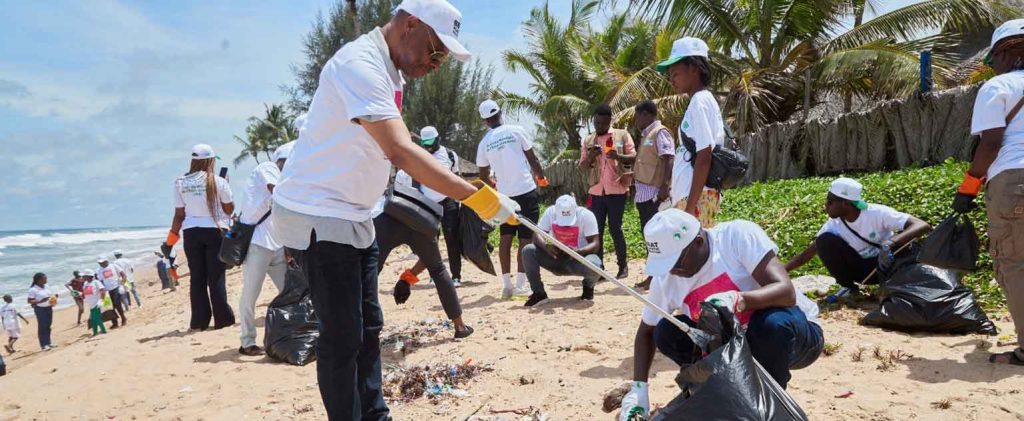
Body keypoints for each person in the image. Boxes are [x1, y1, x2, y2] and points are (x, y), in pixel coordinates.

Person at [269, 2, 519, 419]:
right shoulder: (360, 65)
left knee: (369, 326)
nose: (438, 64)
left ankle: (375, 414)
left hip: (357, 214)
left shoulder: (391, 71)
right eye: (436, 51)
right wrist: (475, 195)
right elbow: (401, 150)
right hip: (319, 212)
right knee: (342, 336)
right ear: (411, 26)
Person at [619, 209, 823, 420]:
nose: (673, 271)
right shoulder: (667, 280)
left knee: (771, 324)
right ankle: (718, 396)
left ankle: (766, 410)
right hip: (735, 353)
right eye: (666, 264)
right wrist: (639, 390)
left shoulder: (736, 237)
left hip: (794, 337)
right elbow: (646, 332)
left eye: (676, 262)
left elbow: (786, 292)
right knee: (667, 331)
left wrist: (739, 300)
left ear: (698, 241)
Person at [953, 18, 1024, 366]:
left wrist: (968, 188)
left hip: (1015, 182)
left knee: (1016, 264)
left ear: (1008, 53)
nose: (991, 66)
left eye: (993, 58)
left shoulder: (999, 87)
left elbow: (991, 143)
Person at [785, 178, 931, 298]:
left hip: (890, 264)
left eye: (830, 201)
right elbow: (806, 255)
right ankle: (849, 288)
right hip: (865, 271)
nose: (826, 205)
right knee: (824, 241)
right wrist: (780, 271)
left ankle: (898, 286)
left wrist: (890, 243)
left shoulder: (877, 213)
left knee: (907, 244)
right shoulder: (833, 225)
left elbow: (921, 225)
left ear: (845, 203)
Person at [374, 189, 474, 339]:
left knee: (369, 273)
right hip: (419, 219)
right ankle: (460, 327)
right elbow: (430, 261)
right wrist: (407, 278)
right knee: (438, 270)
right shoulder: (420, 171)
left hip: (385, 219)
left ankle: (367, 329)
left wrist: (407, 278)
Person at [476, 99, 548, 299]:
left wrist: (495, 188)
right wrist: (541, 177)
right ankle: (520, 285)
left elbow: (482, 177)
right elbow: (532, 159)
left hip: (504, 197)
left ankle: (506, 285)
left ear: (485, 121)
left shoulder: (484, 144)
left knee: (506, 238)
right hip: (526, 191)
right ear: (500, 113)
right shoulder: (516, 130)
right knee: (526, 238)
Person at [161, 143, 236, 331]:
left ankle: (199, 322)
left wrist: (170, 240)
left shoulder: (180, 182)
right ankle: (223, 320)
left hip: (191, 233)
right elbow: (229, 209)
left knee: (197, 278)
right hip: (214, 231)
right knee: (216, 277)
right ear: (210, 161)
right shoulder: (218, 181)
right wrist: (226, 185)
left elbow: (179, 215)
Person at [659, 37, 724, 228]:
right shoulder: (699, 101)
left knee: (695, 255)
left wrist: (689, 209)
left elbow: (705, 156)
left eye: (675, 74)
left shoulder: (700, 101)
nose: (672, 81)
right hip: (694, 197)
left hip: (696, 200)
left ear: (694, 68)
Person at [238, 142, 293, 356]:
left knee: (288, 292)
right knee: (250, 295)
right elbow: (278, 193)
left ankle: (288, 334)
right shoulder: (267, 169)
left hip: (277, 244)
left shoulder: (286, 178)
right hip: (257, 244)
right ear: (282, 161)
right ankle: (247, 341)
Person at [401, 126, 465, 287]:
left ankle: (456, 276)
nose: (428, 147)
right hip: (428, 204)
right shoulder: (419, 157)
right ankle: (433, 276)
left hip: (448, 201)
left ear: (438, 139)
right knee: (431, 242)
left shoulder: (450, 155)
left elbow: (456, 177)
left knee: (452, 238)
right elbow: (416, 183)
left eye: (431, 143)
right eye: (425, 143)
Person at [580, 104, 636, 279]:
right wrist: (591, 156)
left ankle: (623, 266)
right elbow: (582, 166)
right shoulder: (588, 140)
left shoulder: (622, 135)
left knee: (615, 229)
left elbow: (635, 157)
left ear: (609, 121)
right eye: (596, 123)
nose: (599, 127)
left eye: (603, 123)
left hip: (617, 189)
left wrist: (618, 157)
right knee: (597, 231)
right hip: (596, 192)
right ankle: (600, 269)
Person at [521, 195, 603, 307]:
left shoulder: (586, 215)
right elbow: (537, 234)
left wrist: (577, 252)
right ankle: (539, 293)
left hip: (578, 260)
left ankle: (588, 287)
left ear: (576, 209)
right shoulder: (550, 212)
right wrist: (547, 247)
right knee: (528, 250)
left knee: (596, 265)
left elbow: (595, 243)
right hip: (555, 259)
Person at [632, 100, 677, 290]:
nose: (635, 120)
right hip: (644, 195)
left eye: (637, 116)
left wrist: (665, 186)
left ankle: (657, 277)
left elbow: (668, 158)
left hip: (654, 195)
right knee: (650, 237)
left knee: (656, 238)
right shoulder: (646, 135)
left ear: (646, 114)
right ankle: (653, 275)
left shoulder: (660, 132)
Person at [27, 273, 57, 351]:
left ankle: (49, 342)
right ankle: (43, 345)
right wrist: (40, 301)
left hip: (49, 307)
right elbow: (29, 301)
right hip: (40, 309)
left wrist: (54, 298)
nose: (46, 280)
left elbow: (50, 295)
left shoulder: (46, 286)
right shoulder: (33, 289)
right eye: (44, 278)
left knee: (48, 325)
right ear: (39, 280)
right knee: (42, 326)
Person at [96, 257, 127, 328]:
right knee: (110, 307)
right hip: (107, 290)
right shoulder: (99, 270)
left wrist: (122, 284)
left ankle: (123, 318)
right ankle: (115, 322)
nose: (101, 264)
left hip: (116, 287)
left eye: (102, 262)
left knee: (117, 304)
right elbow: (101, 281)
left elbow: (123, 275)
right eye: (99, 263)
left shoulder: (113, 266)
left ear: (106, 261)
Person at [80, 270, 107, 337]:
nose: (82, 277)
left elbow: (103, 291)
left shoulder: (96, 282)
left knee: (96, 318)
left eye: (84, 276)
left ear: (88, 276)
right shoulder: (85, 284)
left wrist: (101, 300)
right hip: (91, 304)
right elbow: (84, 294)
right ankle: (96, 332)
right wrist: (79, 294)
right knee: (94, 319)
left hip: (97, 303)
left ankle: (102, 331)